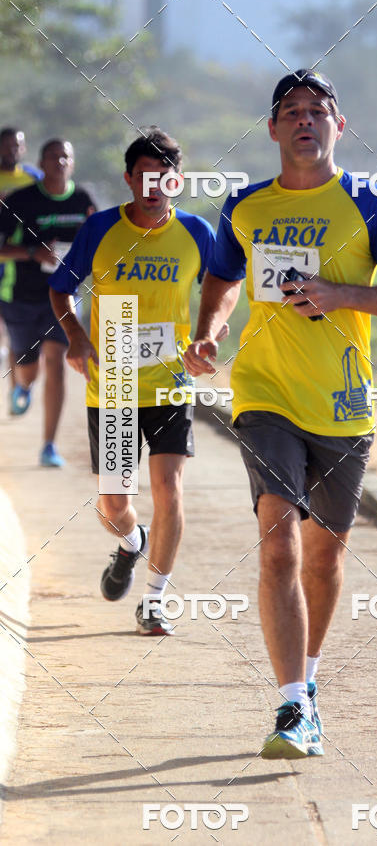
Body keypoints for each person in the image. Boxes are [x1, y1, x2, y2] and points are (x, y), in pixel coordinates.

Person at [183, 70, 377, 759]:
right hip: (264, 395)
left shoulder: (371, 204)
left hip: (342, 404)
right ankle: (290, 705)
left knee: (323, 556)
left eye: (317, 111)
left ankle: (310, 681)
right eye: (290, 111)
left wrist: (340, 294)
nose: (304, 120)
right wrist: (210, 331)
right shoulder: (245, 205)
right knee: (279, 544)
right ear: (272, 128)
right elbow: (223, 276)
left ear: (338, 126)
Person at [49, 128, 220, 635]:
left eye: (164, 177)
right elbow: (61, 289)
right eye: (144, 177)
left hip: (170, 383)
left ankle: (154, 599)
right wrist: (76, 338)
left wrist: (208, 336)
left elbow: (222, 291)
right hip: (115, 385)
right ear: (129, 179)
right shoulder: (100, 228)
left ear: (177, 181)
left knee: (169, 488)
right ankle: (130, 541)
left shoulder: (197, 233)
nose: (154, 187)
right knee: (114, 506)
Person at [0, 138, 95, 465]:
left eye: (65, 156)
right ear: (41, 164)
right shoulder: (20, 200)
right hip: (22, 296)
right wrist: (33, 252)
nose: (60, 162)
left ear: (73, 163)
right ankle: (23, 385)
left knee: (57, 362)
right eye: (53, 156)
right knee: (29, 369)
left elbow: (100, 240)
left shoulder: (83, 200)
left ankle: (49, 446)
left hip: (64, 295)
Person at [0, 127, 43, 390]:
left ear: (24, 148)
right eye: (6, 145)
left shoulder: (33, 178)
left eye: (16, 146)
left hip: (16, 262)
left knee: (15, 334)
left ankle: (17, 388)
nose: (11, 150)